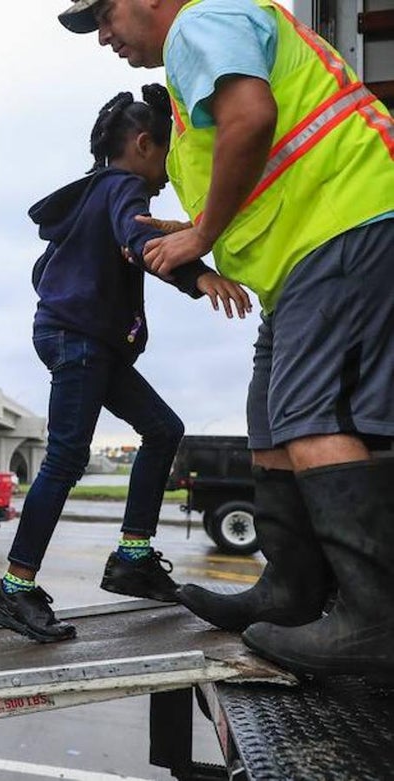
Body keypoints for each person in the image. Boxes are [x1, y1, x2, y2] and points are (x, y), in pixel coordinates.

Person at [62, 0, 394, 679]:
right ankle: (293, 589)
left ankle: (375, 618)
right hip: (301, 258)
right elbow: (248, 160)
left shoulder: (200, 21)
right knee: (270, 422)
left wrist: (201, 234)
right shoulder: (194, 83)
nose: (102, 37)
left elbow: (252, 118)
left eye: (103, 15)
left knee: (309, 416)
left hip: (341, 224)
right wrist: (192, 224)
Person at [0, 83, 252, 643]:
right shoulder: (124, 186)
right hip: (81, 341)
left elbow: (46, 271)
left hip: (87, 341)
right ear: (144, 143)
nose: (171, 170)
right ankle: (14, 589)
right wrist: (198, 275)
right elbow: (136, 237)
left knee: (162, 429)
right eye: (170, 153)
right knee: (65, 459)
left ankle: (133, 555)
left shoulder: (92, 197)